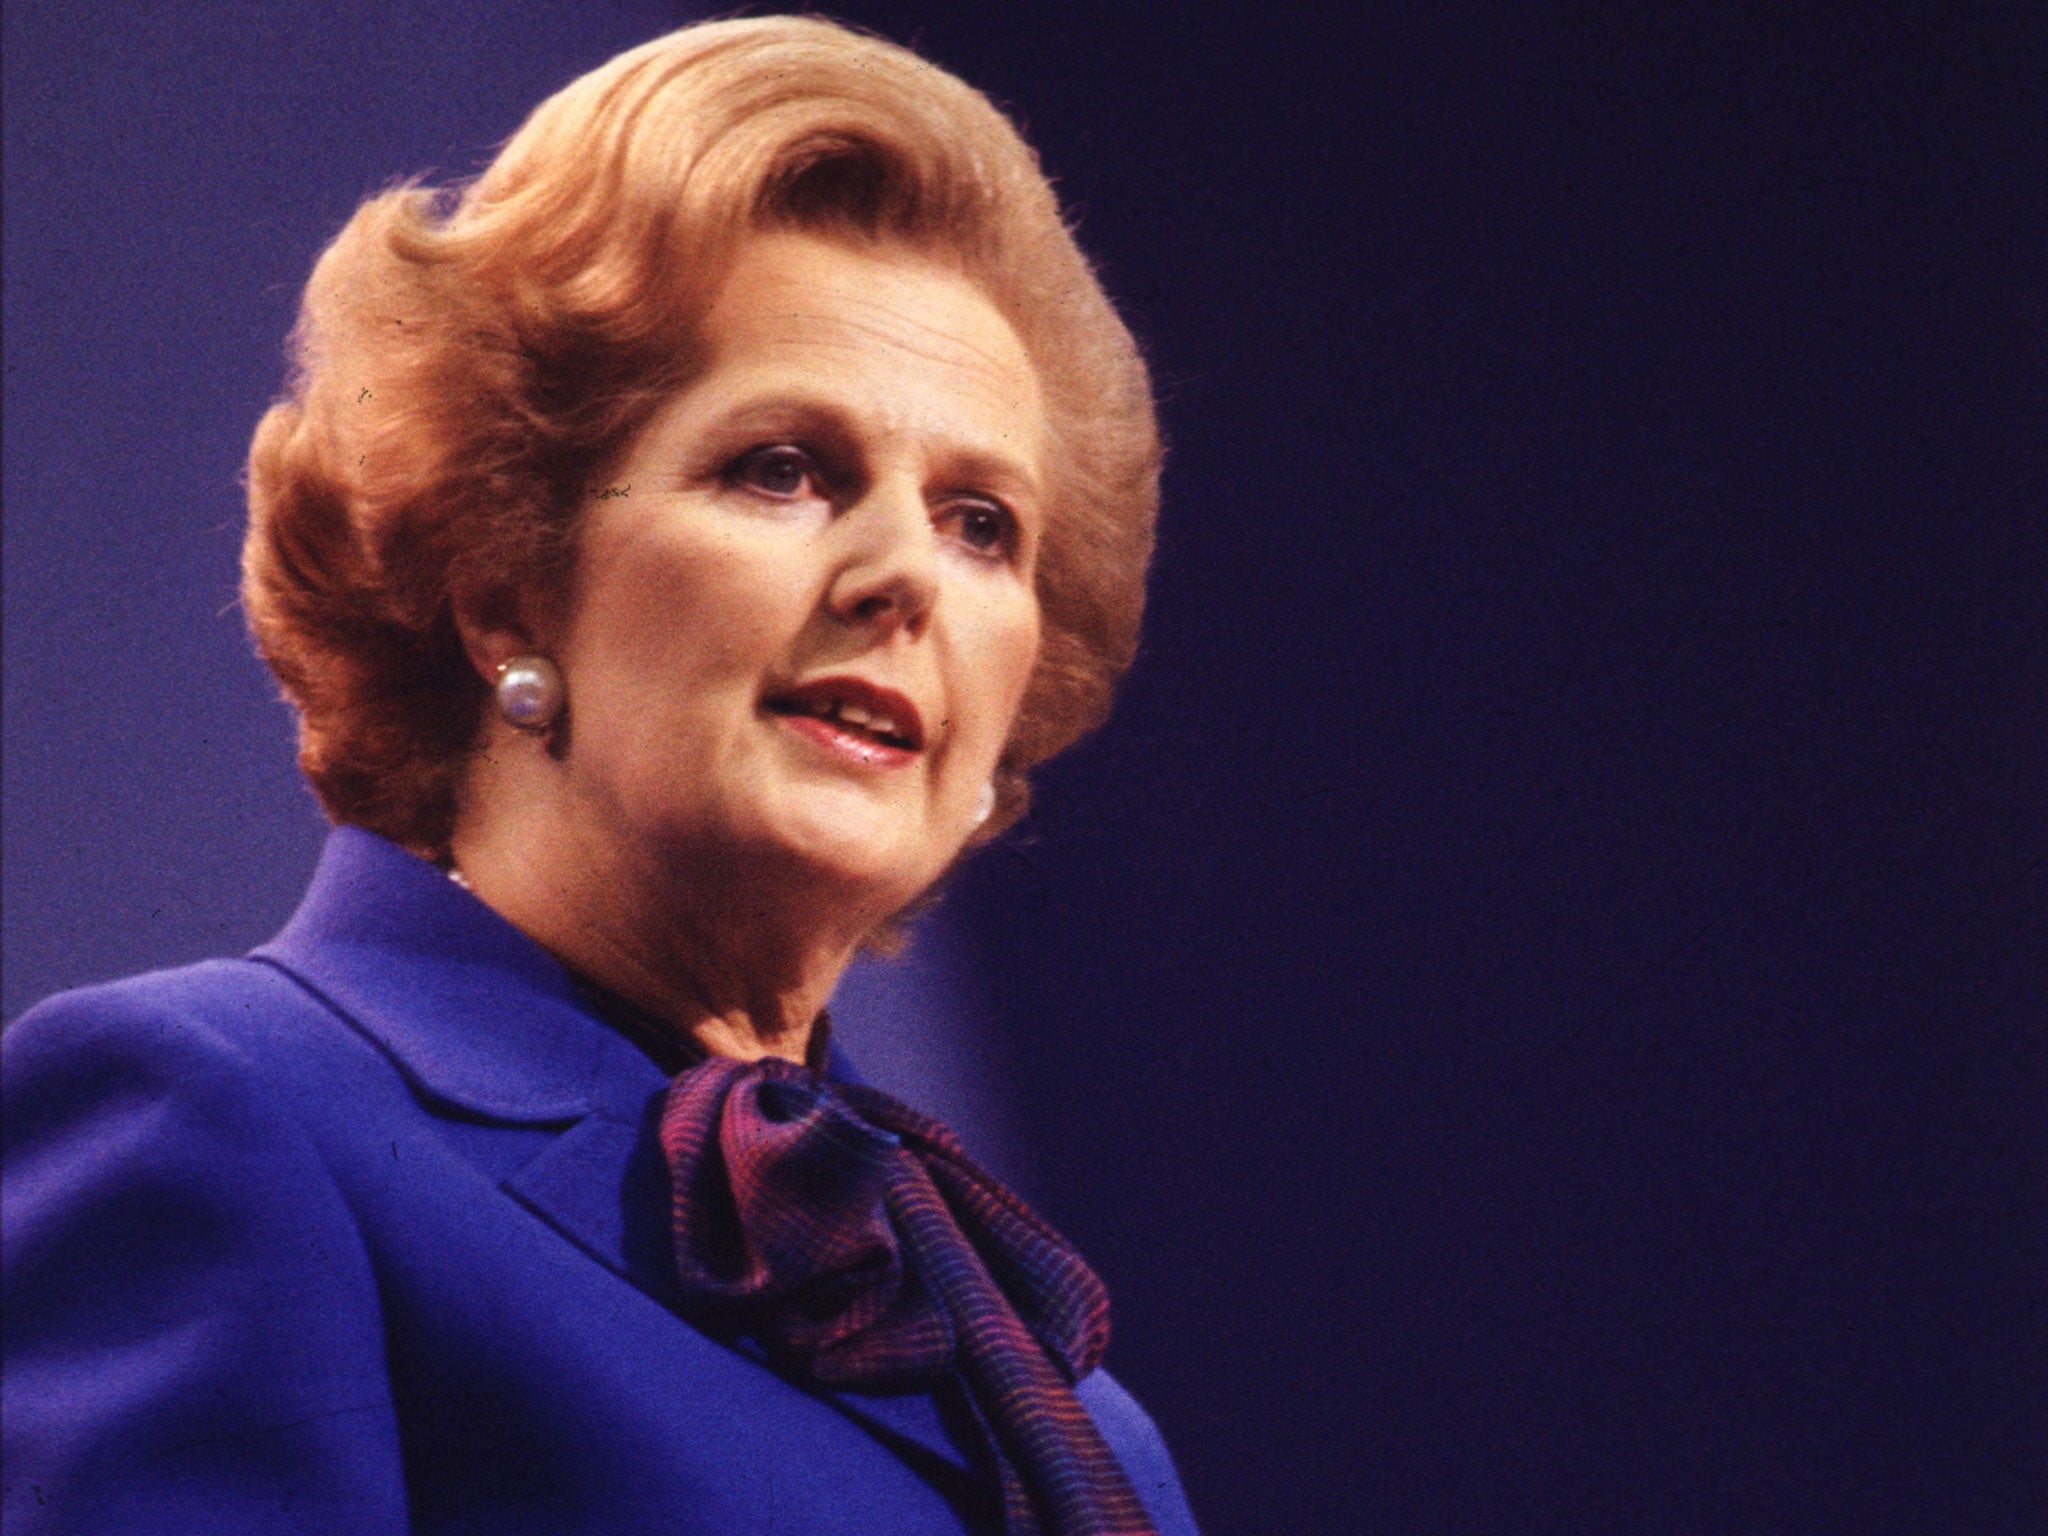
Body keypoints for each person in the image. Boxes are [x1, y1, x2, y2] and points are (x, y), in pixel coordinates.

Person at [0, 16, 1196, 1535]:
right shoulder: (225, 1121)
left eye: (982, 524)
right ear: (507, 578)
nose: (908, 576)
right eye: (784, 467)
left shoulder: (1061, 1396)